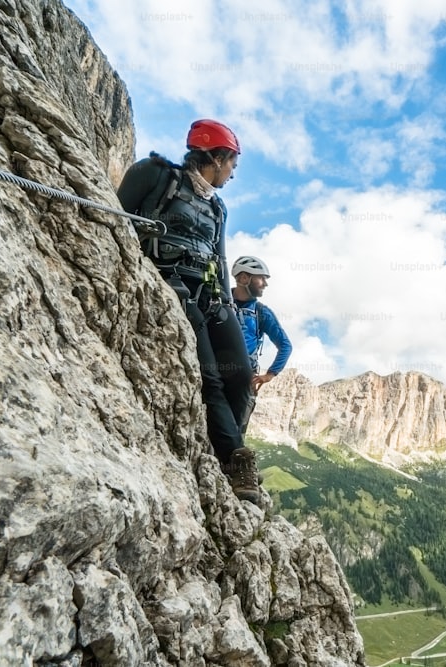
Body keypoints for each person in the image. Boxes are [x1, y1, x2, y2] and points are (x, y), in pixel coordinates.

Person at [116, 119, 261, 504]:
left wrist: (227, 306)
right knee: (209, 375)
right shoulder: (155, 175)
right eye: (231, 164)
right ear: (216, 156)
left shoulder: (218, 207)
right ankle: (235, 460)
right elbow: (116, 220)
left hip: (211, 293)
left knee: (241, 375)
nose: (232, 173)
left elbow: (221, 255)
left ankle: (229, 445)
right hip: (172, 285)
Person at [230, 256, 293, 429]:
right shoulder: (219, 301)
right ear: (244, 278)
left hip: (244, 379)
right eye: (261, 278)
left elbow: (285, 345)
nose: (265, 284)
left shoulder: (261, 312)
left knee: (237, 430)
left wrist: (270, 375)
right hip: (215, 375)